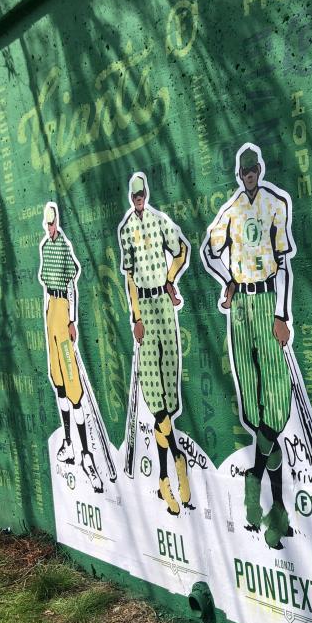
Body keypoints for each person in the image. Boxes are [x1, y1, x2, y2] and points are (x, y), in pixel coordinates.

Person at [202, 145, 295, 549]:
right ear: (239, 175)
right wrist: (228, 279)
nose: (249, 176)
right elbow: (209, 249)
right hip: (241, 304)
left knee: (277, 403)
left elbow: (285, 263)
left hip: (267, 298)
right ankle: (276, 510)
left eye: (253, 169)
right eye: (244, 172)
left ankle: (253, 484)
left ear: (260, 169)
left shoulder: (275, 206)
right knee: (255, 406)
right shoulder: (232, 210)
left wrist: (282, 314)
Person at [118, 172, 191, 516]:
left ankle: (167, 472)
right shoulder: (125, 230)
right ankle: (172, 468)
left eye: (141, 194)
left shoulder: (161, 221)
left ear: (146, 194)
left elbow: (181, 250)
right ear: (130, 198)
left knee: (168, 388)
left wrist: (169, 278)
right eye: (134, 196)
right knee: (154, 394)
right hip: (145, 308)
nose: (138, 200)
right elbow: (129, 275)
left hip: (163, 303)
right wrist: (134, 316)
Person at [38, 201, 102, 493]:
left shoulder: (62, 246)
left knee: (73, 383)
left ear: (57, 222)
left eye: (53, 223)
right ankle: (68, 442)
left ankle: (87, 453)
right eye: (47, 223)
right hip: (51, 309)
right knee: (58, 380)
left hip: (63, 309)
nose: (50, 227)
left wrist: (72, 319)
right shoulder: (45, 248)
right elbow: (45, 282)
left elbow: (72, 283)